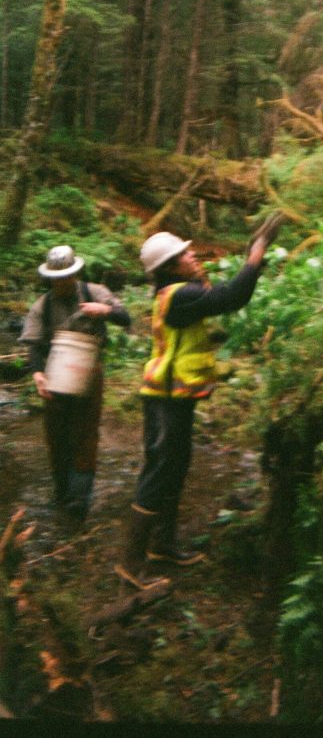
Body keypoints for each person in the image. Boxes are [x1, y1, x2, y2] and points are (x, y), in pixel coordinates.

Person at [114, 216, 282, 590]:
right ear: (170, 267)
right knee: (160, 470)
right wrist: (257, 252)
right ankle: (131, 562)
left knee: (174, 466)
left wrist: (253, 258)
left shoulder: (177, 294)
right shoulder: (180, 296)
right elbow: (231, 296)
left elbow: (221, 292)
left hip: (172, 397)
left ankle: (163, 546)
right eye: (184, 254)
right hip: (166, 399)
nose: (193, 256)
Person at [20, 245, 131, 522]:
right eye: (57, 279)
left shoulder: (96, 293)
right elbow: (33, 345)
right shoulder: (41, 306)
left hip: (89, 370)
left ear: (76, 273)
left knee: (85, 434)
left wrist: (103, 310)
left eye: (67, 277)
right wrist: (37, 374)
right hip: (54, 373)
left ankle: (79, 499)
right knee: (57, 436)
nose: (63, 283)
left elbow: (125, 318)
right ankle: (61, 492)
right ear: (49, 279)